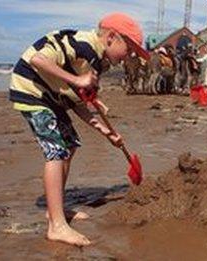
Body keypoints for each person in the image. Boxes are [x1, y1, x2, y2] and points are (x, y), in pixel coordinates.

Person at [8, 13, 149, 246]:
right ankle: (57, 226)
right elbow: (38, 60)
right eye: (130, 48)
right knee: (57, 151)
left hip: (54, 97)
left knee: (70, 143)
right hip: (31, 90)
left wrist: (107, 132)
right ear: (112, 37)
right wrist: (76, 81)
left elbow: (79, 105)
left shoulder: (96, 63)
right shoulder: (82, 44)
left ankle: (56, 209)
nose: (130, 56)